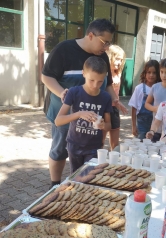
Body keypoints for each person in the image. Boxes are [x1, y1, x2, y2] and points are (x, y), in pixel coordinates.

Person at [42, 18, 127, 188]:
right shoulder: (64, 50)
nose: (106, 48)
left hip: (90, 115)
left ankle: (82, 184)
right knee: (60, 149)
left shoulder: (101, 56)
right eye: (104, 42)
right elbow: (46, 76)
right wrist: (62, 93)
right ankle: (54, 184)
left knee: (87, 150)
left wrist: (114, 100)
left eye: (109, 44)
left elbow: (108, 83)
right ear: (90, 35)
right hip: (65, 111)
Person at [54, 57, 112, 173]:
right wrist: (79, 114)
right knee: (76, 177)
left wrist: (102, 125)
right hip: (74, 144)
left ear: (105, 76)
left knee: (89, 177)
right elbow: (58, 121)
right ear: (83, 73)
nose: (95, 85)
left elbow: (109, 125)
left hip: (94, 147)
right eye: (92, 80)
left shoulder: (106, 97)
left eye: (100, 81)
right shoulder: (74, 92)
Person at [145, 57, 166, 142]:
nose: (163, 75)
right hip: (155, 129)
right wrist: (155, 108)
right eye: (161, 72)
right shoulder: (155, 87)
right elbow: (147, 104)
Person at [128, 60, 160, 139]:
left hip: (156, 125)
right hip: (142, 125)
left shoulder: (159, 88)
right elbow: (134, 108)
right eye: (149, 72)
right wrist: (134, 126)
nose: (151, 75)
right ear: (145, 73)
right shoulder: (139, 88)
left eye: (154, 73)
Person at [103, 45, 126, 150]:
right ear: (110, 57)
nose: (119, 62)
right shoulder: (104, 73)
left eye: (121, 60)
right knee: (100, 141)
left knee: (115, 144)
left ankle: (113, 161)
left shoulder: (118, 72)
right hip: (104, 109)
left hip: (115, 108)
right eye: (117, 59)